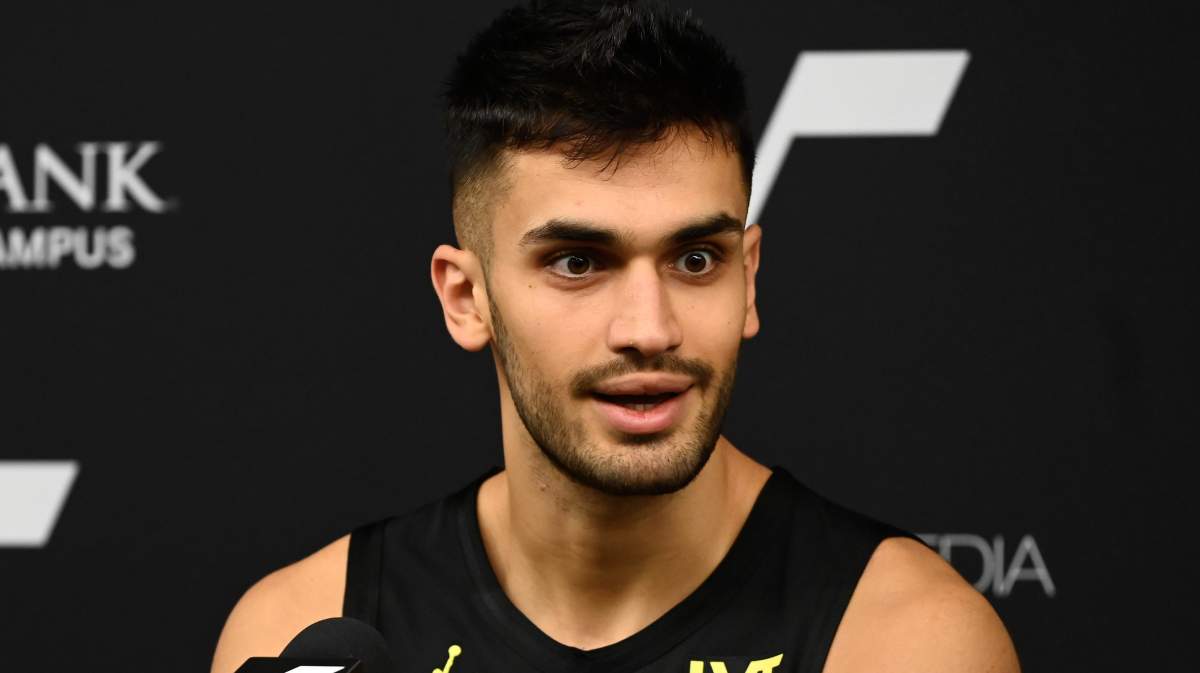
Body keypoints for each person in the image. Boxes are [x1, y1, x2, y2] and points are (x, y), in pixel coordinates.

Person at [210, 2, 1020, 672]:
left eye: (696, 258)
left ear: (749, 277)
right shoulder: (297, 630)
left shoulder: (906, 643)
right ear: (466, 297)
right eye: (577, 262)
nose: (649, 329)